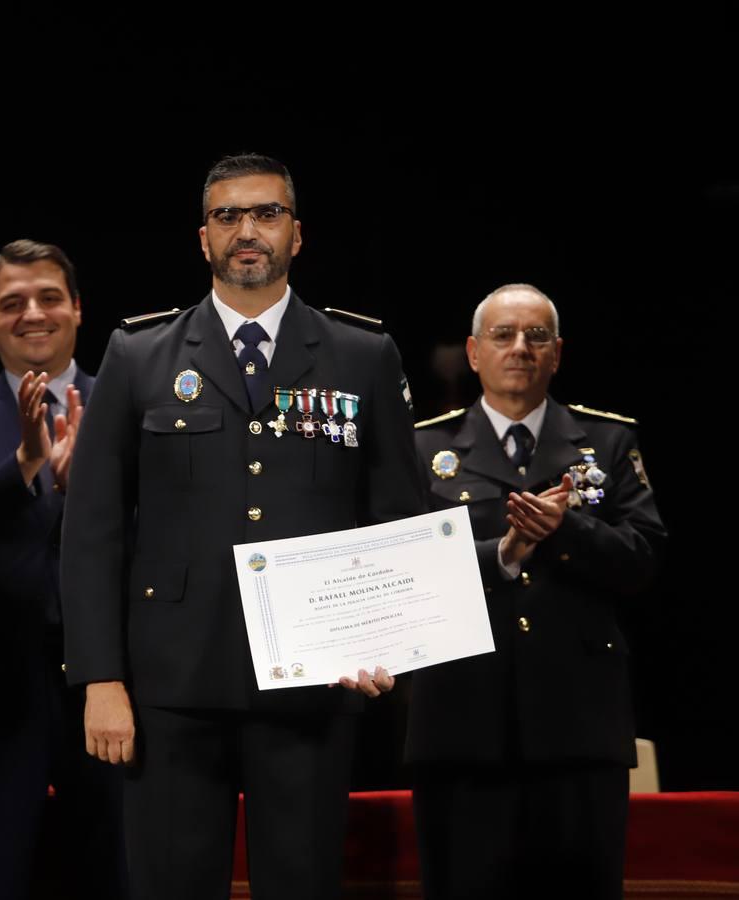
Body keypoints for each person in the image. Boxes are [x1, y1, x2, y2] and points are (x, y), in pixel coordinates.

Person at [60, 153, 427, 899]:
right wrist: (100, 677)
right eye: (228, 216)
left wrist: (390, 640)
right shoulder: (140, 353)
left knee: (302, 880)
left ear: (298, 234)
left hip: (315, 678)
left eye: (265, 214)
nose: (246, 231)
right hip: (171, 682)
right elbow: (92, 529)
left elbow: (399, 517)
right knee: (170, 883)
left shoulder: (361, 353)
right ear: (203, 239)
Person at [407, 283, 667, 900]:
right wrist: (497, 556)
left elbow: (645, 561)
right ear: (473, 352)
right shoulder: (424, 447)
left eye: (536, 336)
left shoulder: (607, 442)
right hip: (462, 720)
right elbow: (404, 572)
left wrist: (568, 529)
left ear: (557, 353)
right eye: (503, 335)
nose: (519, 348)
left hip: (578, 724)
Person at [0, 239, 125, 899]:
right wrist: (24, 467)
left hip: (112, 690)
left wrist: (84, 493)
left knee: (117, 877)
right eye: (12, 303)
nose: (32, 314)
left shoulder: (128, 408)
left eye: (49, 298)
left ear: (78, 309)